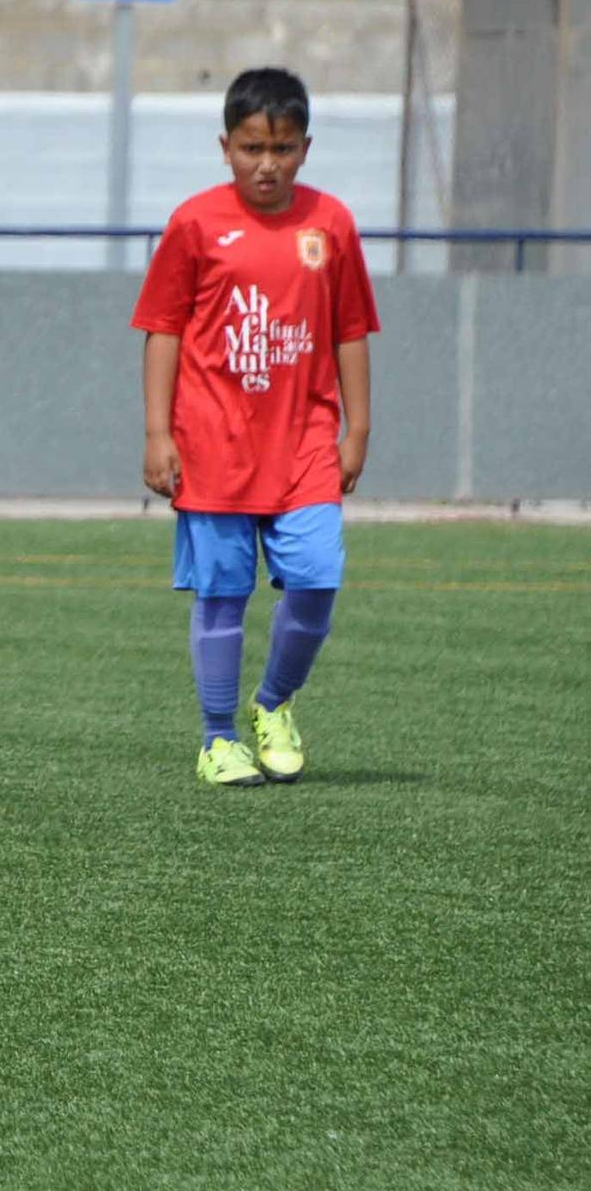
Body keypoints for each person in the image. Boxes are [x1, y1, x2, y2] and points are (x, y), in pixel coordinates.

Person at [131, 66, 378, 787]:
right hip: (212, 445)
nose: (265, 164)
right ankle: (217, 737)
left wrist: (357, 427)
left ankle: (273, 703)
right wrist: (157, 431)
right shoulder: (194, 223)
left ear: (305, 147)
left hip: (303, 442)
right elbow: (162, 330)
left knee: (317, 578)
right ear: (225, 146)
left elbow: (352, 329)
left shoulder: (329, 223)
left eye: (282, 148)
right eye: (250, 148)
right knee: (223, 593)